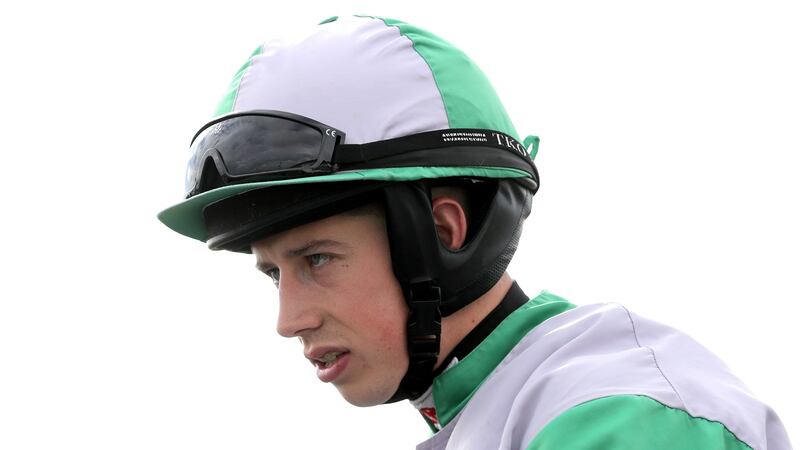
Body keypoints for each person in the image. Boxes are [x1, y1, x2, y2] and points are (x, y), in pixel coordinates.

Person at [158, 14, 792, 449]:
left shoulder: (617, 416)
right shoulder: (494, 408)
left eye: (317, 259)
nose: (288, 319)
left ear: (442, 231)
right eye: (273, 273)